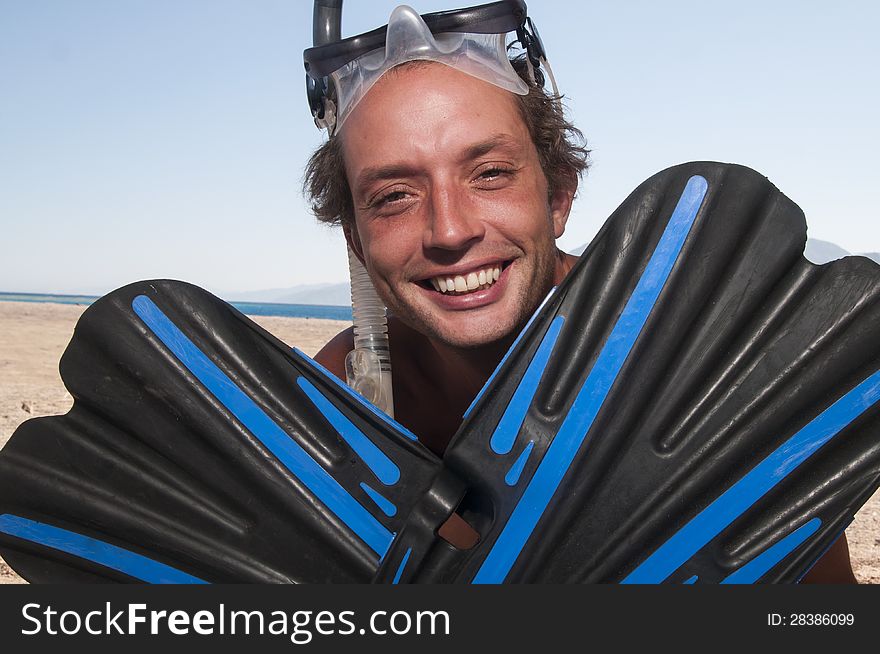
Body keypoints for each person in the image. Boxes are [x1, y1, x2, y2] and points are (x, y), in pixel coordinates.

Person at [302, 2, 856, 582]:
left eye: (489, 173)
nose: (449, 230)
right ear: (358, 244)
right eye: (394, 196)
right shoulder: (351, 391)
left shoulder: (692, 362)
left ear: (559, 194)